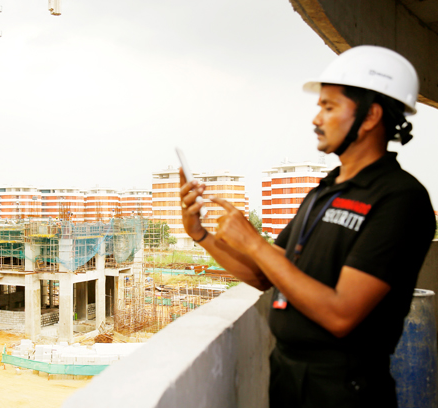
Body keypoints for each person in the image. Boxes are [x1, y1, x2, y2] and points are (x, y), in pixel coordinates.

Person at [179, 45, 435, 407]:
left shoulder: (399, 198)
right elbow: (264, 274)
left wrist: (253, 242)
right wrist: (200, 233)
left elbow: (341, 314)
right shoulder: (324, 192)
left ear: (370, 116)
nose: (316, 119)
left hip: (344, 389)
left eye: (329, 107)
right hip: (288, 376)